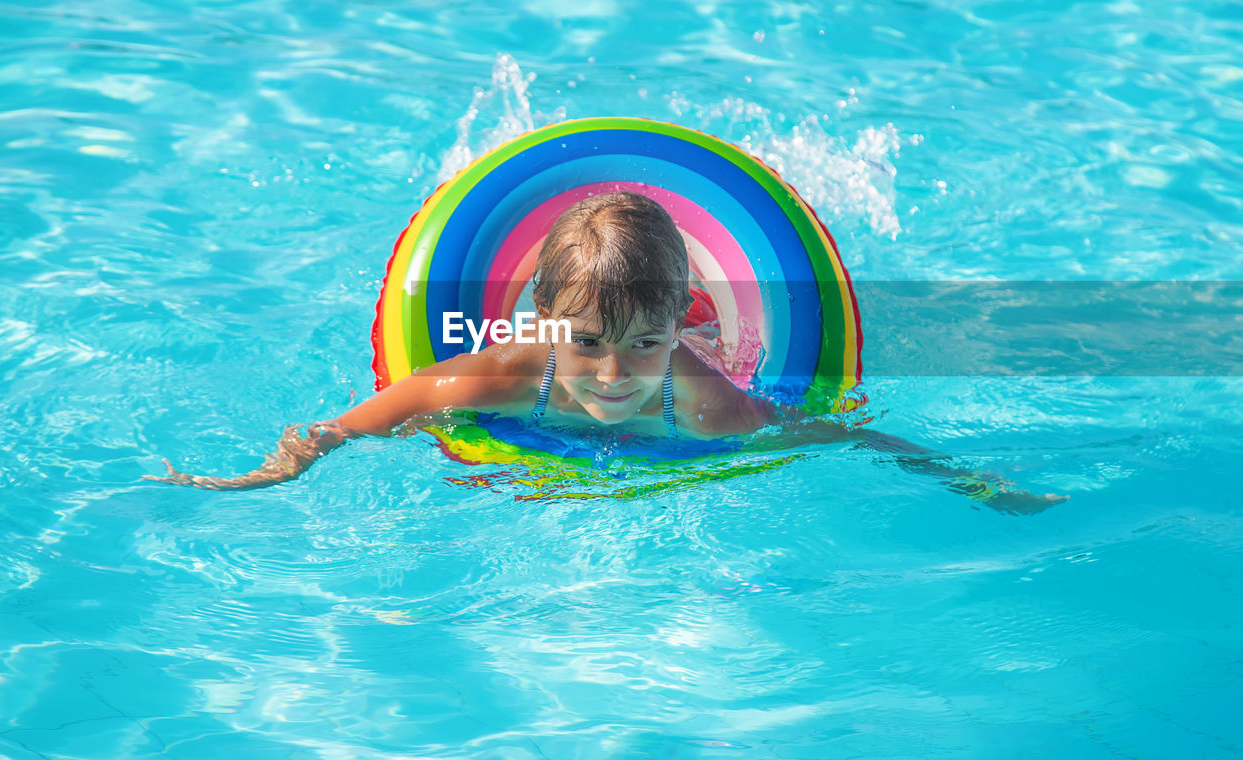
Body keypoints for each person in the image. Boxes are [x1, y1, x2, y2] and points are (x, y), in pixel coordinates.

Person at [145, 192, 1066, 514]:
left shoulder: (700, 397)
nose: (617, 375)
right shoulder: (505, 370)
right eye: (586, 343)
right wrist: (268, 476)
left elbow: (835, 437)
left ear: (683, 324)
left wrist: (971, 480)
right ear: (544, 317)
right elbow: (349, 426)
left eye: (647, 344)